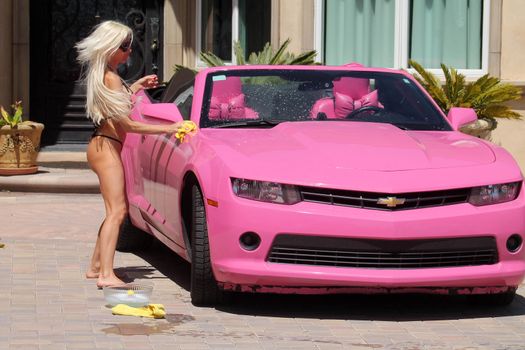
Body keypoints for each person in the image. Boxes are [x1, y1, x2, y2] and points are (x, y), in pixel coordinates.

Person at [76, 20, 183, 288]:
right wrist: (171, 127)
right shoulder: (110, 77)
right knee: (118, 212)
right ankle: (105, 275)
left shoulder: (109, 75)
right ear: (111, 48)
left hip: (105, 145)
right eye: (125, 46)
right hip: (106, 146)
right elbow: (129, 125)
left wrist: (135, 87)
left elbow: (118, 106)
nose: (130, 52)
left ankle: (96, 266)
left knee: (114, 210)